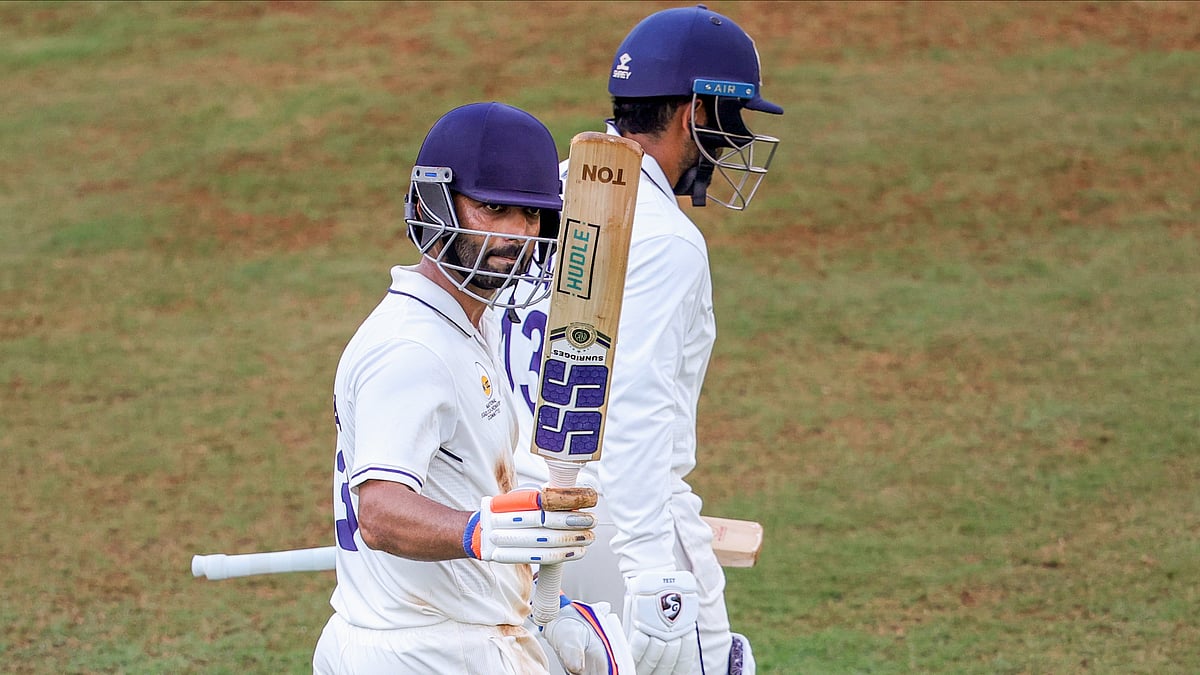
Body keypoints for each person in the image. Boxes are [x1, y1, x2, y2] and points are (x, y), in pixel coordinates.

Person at [491, 6, 783, 675]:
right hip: (617, 530)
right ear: (693, 114)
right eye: (732, 121)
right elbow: (633, 407)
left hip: (517, 517)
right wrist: (653, 569)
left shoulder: (541, 198)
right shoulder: (666, 239)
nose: (735, 143)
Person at [313, 102, 629, 675]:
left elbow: (470, 481)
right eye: (493, 208)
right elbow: (381, 513)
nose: (516, 234)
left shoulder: (463, 327)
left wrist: (545, 607)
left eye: (531, 215)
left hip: (447, 641)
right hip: (423, 650)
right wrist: (480, 531)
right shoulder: (413, 349)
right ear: (430, 204)